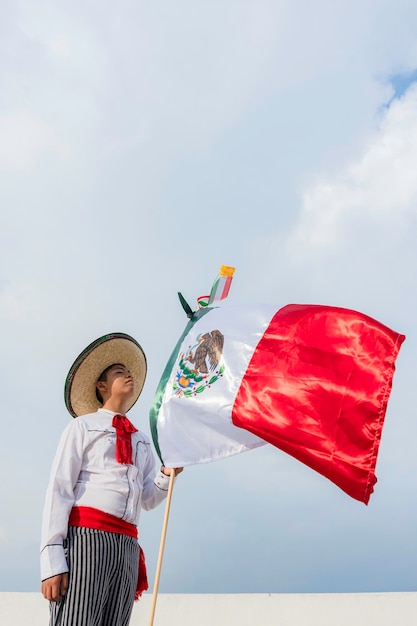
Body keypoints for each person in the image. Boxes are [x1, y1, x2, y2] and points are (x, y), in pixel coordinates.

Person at [40, 332, 182, 626]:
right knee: (76, 620)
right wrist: (52, 561)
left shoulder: (141, 440)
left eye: (129, 371)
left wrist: (166, 475)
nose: (128, 374)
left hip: (127, 544)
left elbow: (147, 499)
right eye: (119, 372)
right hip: (87, 538)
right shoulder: (82, 427)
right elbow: (59, 490)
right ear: (101, 385)